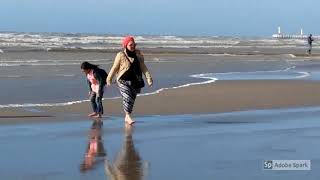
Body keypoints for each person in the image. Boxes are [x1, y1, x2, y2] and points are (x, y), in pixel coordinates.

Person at [107, 36, 153, 125]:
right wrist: (109, 78)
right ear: (126, 45)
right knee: (127, 97)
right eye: (130, 45)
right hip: (122, 80)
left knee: (132, 99)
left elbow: (144, 68)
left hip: (135, 81)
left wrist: (149, 79)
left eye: (134, 44)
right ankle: (128, 116)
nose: (133, 46)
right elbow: (115, 67)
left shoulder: (139, 56)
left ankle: (127, 116)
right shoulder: (120, 55)